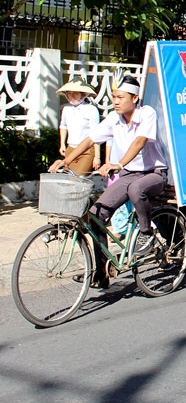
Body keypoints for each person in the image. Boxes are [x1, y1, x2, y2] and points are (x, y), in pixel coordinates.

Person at [48, 75, 169, 289]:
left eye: (120, 97)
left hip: (154, 173)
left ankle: (146, 233)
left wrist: (119, 164)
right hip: (129, 174)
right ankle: (101, 271)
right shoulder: (114, 118)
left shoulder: (146, 113)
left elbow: (140, 141)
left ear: (134, 97)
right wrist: (66, 161)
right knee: (96, 215)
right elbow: (90, 139)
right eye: (113, 96)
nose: (115, 101)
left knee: (136, 188)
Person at [57, 78, 101, 175]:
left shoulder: (91, 109)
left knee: (79, 178)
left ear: (83, 94)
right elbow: (63, 126)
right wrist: (62, 144)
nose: (72, 96)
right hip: (71, 149)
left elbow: (96, 133)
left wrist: (97, 156)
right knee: (70, 179)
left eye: (75, 93)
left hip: (87, 151)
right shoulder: (66, 109)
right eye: (69, 93)